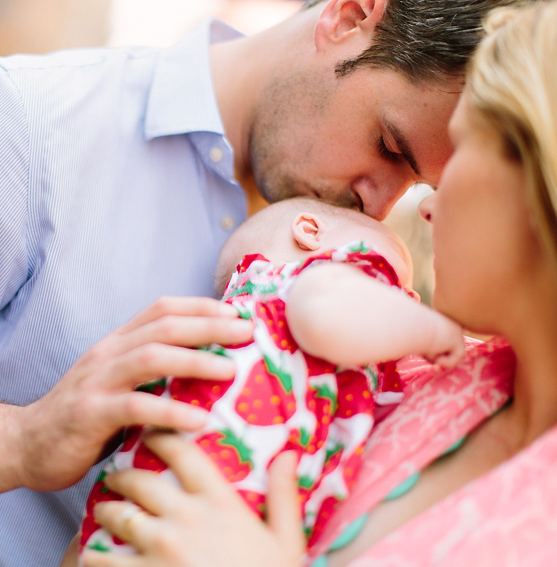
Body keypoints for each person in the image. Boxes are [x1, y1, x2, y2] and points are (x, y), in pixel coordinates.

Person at [0, 0, 529, 565]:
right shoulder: (27, 121)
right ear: (351, 14)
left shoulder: (362, 266)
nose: (384, 204)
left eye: (418, 185)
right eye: (390, 147)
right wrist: (22, 440)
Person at [81, 2, 557, 566]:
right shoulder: (423, 375)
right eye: (391, 148)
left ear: (537, 178)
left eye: (461, 153)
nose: (424, 206)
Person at [68, 197, 463, 565]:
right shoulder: (297, 286)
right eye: (391, 276)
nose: (407, 297)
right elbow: (323, 314)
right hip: (206, 509)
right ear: (310, 233)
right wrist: (431, 331)